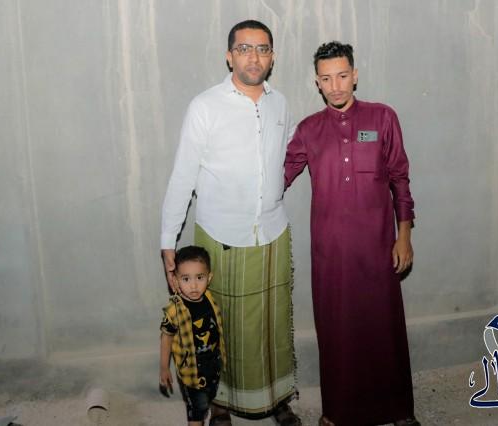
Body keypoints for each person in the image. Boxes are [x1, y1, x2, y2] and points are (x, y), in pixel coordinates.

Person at [160, 20, 300, 425]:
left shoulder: (280, 104)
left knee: (272, 324)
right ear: (229, 56)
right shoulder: (205, 106)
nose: (253, 57)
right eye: (244, 48)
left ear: (272, 56)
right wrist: (168, 241)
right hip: (221, 236)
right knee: (219, 326)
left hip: (272, 233)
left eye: (262, 49)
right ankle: (220, 404)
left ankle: (276, 398)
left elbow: (288, 156)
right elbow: (183, 177)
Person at [284, 41, 419, 426]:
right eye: (327, 79)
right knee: (337, 331)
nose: (336, 86)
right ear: (317, 82)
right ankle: (337, 412)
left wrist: (404, 235)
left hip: (378, 246)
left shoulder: (382, 118)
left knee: (384, 328)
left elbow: (400, 179)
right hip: (331, 252)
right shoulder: (308, 130)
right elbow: (278, 177)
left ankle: (399, 411)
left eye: (342, 76)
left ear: (355, 76)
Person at [160, 246, 226, 426]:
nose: (194, 285)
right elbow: (166, 338)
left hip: (213, 368)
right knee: (196, 412)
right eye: (186, 279)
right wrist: (164, 367)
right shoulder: (174, 311)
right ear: (175, 280)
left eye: (199, 277)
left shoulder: (210, 300)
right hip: (192, 374)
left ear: (209, 278)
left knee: (206, 403)